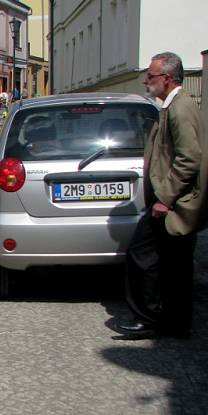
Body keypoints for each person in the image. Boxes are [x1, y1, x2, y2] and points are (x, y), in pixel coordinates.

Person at [115, 52, 205, 339]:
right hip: (171, 202)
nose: (145, 80)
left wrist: (165, 198)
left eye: (150, 76)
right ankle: (175, 324)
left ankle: (149, 318)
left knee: (142, 255)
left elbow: (189, 158)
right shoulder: (171, 105)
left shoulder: (180, 108)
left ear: (167, 79)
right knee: (174, 265)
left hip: (174, 204)